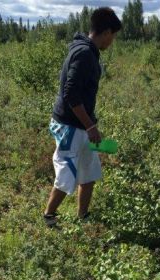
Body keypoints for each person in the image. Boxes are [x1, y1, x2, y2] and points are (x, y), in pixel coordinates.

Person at [43, 7, 122, 227]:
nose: (112, 41)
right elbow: (70, 94)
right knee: (67, 173)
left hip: (82, 124)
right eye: (113, 36)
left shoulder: (87, 50)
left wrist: (89, 124)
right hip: (69, 126)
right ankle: (49, 216)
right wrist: (90, 126)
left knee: (89, 171)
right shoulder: (84, 53)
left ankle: (83, 216)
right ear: (106, 32)